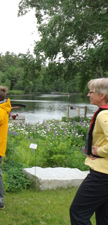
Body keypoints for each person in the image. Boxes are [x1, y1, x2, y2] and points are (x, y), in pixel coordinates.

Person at [70, 78, 108, 225]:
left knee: (78, 212)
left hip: (102, 175)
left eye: (91, 92)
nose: (88, 94)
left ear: (102, 95)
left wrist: (100, 151)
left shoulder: (104, 115)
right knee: (104, 216)